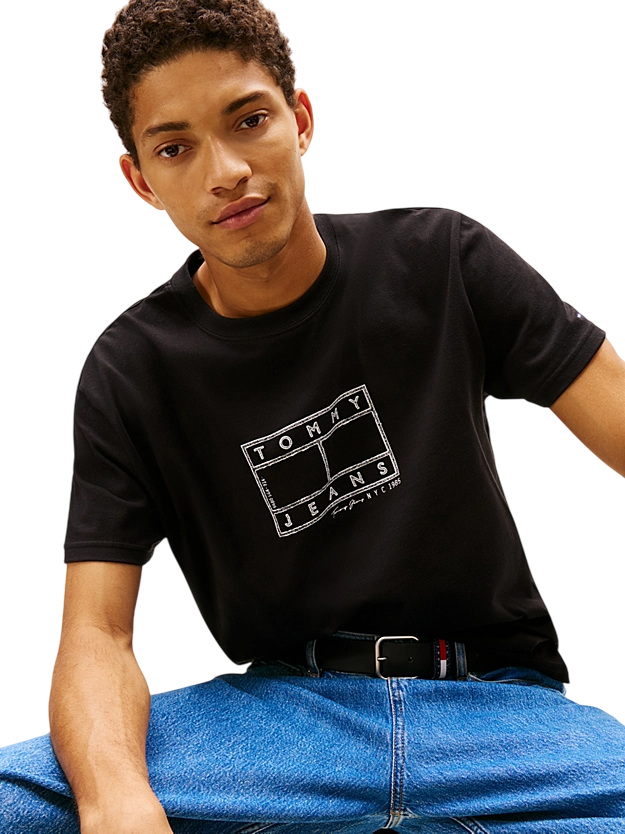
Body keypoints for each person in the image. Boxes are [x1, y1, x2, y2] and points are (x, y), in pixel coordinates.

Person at [1, 0, 624, 831]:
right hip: (282, 729)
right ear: (141, 179)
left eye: (248, 120)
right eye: (176, 148)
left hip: (502, 721)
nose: (225, 171)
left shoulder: (441, 261)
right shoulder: (133, 370)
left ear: (298, 119)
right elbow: (98, 635)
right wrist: (117, 799)